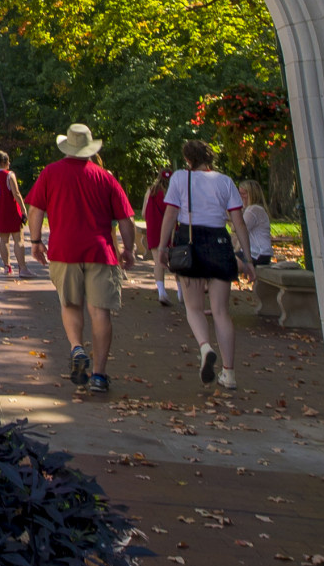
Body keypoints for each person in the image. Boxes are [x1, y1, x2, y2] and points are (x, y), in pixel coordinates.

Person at [24, 122, 142, 395]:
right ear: (89, 149)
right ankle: (99, 375)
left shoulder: (50, 174)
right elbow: (126, 219)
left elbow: (35, 210)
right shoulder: (105, 177)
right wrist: (128, 250)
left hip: (64, 251)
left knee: (70, 303)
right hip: (101, 252)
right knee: (101, 312)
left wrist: (36, 241)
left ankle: (77, 347)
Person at [163, 139, 253, 388]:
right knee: (222, 312)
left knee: (193, 308)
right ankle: (230, 373)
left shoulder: (181, 178)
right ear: (209, 159)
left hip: (190, 241)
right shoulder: (225, 181)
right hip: (220, 243)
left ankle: (204, 348)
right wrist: (247, 258)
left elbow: (171, 213)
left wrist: (162, 247)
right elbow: (238, 222)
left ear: (188, 160)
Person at [0, 152, 28, 275]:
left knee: (3, 240)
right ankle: (22, 268)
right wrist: (23, 209)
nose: (9, 164)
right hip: (11, 210)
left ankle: (7, 266)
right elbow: (16, 194)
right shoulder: (9, 175)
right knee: (18, 240)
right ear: (3, 163)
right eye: (8, 161)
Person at [142, 170, 177, 305]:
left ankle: (161, 292)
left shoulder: (150, 191)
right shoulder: (173, 192)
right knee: (175, 260)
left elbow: (144, 213)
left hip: (154, 229)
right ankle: (180, 293)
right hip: (171, 230)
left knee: (158, 261)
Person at [238, 180, 275, 265]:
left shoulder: (253, 210)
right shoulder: (254, 209)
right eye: (239, 193)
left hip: (257, 254)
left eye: (243, 194)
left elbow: (239, 229)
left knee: (221, 265)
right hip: (258, 253)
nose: (240, 196)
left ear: (252, 194)